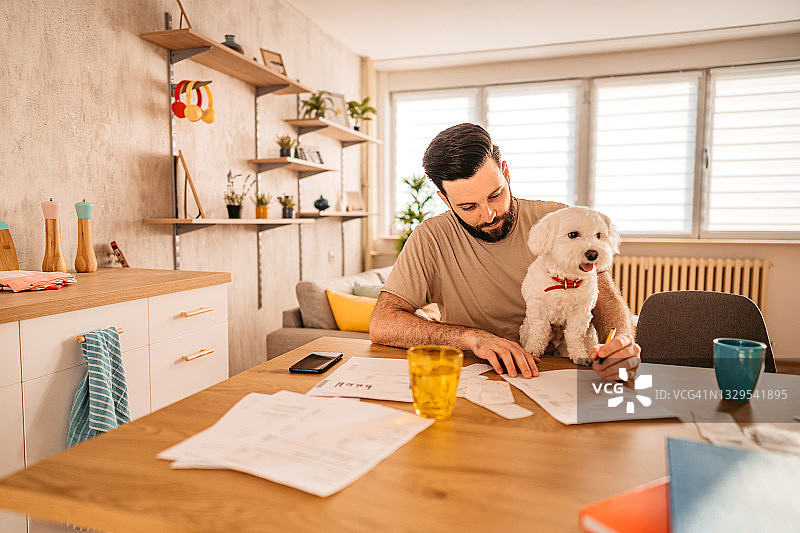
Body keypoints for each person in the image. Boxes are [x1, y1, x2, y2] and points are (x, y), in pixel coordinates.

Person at [369, 123, 640, 380]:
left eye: (495, 195)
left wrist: (620, 342)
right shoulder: (431, 237)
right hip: (475, 376)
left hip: (557, 372)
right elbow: (383, 323)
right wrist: (472, 338)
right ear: (445, 199)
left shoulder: (559, 219)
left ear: (506, 174)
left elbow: (604, 298)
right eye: (468, 207)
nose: (488, 215)